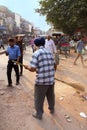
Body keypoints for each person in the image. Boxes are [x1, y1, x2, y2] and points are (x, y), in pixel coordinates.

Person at [24, 37, 57, 120]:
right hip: (51, 80)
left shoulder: (36, 53)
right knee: (51, 96)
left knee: (38, 98)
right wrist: (50, 73)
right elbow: (55, 65)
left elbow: (32, 69)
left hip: (41, 81)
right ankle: (52, 109)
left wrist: (27, 67)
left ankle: (39, 114)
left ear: (35, 45)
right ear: (44, 44)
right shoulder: (49, 53)